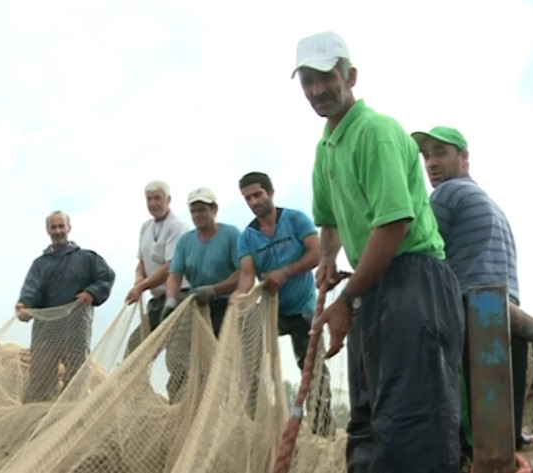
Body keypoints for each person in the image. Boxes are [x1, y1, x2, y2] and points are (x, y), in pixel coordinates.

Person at [294, 31, 465, 472]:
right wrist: (330, 260)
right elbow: (328, 219)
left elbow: (393, 223)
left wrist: (348, 299)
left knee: (413, 421)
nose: (316, 90)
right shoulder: (326, 147)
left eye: (326, 78)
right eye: (307, 81)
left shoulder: (376, 132)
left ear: (349, 76)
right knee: (370, 418)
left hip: (414, 280)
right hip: (374, 283)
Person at [412, 126, 527, 459]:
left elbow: (421, 251)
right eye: (426, 155)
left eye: (440, 153)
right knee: (503, 425)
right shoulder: (488, 201)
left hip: (470, 310)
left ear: (464, 158)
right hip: (506, 311)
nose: (431, 163)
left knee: (465, 425)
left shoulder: (447, 195)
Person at [231, 171, 333, 436]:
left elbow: (317, 252)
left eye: (257, 195)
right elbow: (245, 275)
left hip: (302, 307)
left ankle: (323, 430)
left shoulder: (295, 219)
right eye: (248, 198)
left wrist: (286, 272)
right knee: (249, 357)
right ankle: (260, 424)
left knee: (312, 367)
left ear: (270, 192)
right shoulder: (247, 236)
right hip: (270, 310)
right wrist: (238, 299)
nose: (254, 202)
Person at [15, 210, 116, 403]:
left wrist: (92, 292)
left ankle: (72, 419)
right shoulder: (40, 264)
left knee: (76, 376)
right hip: (46, 332)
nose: (58, 230)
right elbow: (31, 290)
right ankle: (37, 422)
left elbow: (106, 277)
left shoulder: (87, 258)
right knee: (40, 377)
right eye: (53, 227)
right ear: (47, 230)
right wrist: (24, 306)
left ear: (69, 228)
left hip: (75, 328)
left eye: (61, 226)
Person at [161, 187, 240, 401]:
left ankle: (221, 410)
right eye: (193, 211)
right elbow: (175, 275)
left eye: (202, 210)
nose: (197, 216)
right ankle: (183, 405)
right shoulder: (186, 241)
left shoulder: (231, 235)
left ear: (214, 209)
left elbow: (243, 273)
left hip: (227, 306)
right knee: (184, 359)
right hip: (197, 306)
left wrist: (215, 289)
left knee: (222, 363)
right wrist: (170, 299)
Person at [124, 180, 190, 354]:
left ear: (168, 199)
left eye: (157, 198)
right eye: (149, 199)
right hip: (157, 300)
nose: (153, 203)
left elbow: (171, 267)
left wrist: (142, 286)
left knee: (177, 356)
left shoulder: (177, 227)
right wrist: (139, 279)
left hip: (179, 298)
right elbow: (141, 262)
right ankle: (137, 382)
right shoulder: (146, 227)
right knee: (134, 350)